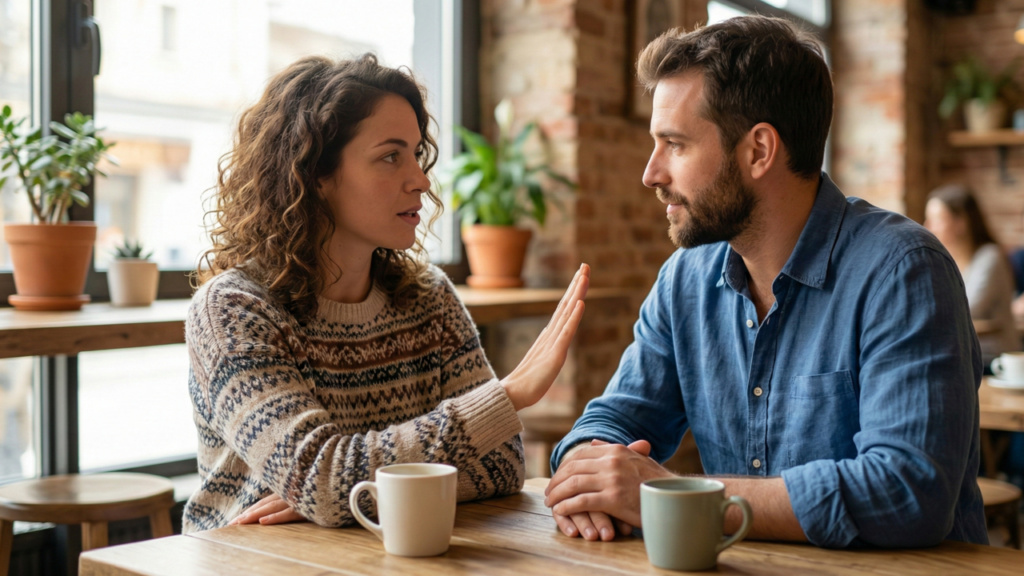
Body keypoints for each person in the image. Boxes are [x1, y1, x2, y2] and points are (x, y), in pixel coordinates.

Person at [544, 16, 986, 549]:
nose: (651, 173)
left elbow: (906, 493)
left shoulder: (903, 270)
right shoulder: (685, 280)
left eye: (675, 144)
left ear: (759, 151)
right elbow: (613, 421)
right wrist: (586, 476)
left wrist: (675, 494)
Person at [182, 54, 589, 533]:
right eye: (390, 156)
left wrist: (354, 493)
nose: (419, 179)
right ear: (315, 175)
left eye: (416, 154)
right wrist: (508, 396)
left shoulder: (430, 299)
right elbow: (327, 479)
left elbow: (500, 466)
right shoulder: (233, 309)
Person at [924, 184, 1018, 363]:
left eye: (937, 219)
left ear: (961, 223)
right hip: (958, 354)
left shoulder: (989, 257)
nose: (928, 227)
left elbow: (969, 308)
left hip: (992, 358)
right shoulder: (944, 259)